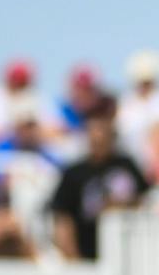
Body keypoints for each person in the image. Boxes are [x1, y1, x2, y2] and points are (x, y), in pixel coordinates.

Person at [49, 98, 150, 262]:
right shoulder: (74, 173)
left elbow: (145, 201)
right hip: (86, 260)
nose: (98, 135)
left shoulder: (128, 166)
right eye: (93, 129)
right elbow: (62, 219)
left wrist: (120, 206)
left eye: (103, 128)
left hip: (129, 259)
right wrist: (75, 263)